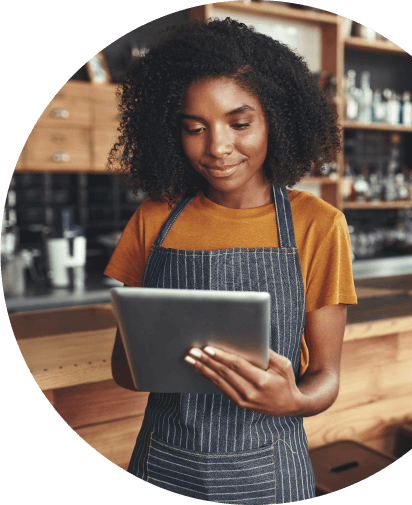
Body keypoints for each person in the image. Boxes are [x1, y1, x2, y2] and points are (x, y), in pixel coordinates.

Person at [105, 17, 357, 504]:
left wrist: (296, 400)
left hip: (271, 468)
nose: (217, 148)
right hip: (162, 462)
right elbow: (122, 367)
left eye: (240, 124)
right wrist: (150, 358)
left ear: (275, 119)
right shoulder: (154, 218)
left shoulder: (318, 225)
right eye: (194, 128)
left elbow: (327, 374)